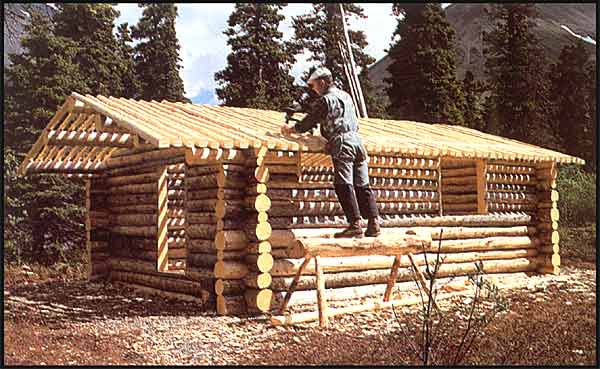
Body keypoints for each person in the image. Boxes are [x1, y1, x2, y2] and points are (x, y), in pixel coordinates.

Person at [281, 67, 381, 238]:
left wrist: (291, 129)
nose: (313, 89)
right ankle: (374, 224)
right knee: (363, 185)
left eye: (314, 85)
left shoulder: (326, 100)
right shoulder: (346, 96)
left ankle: (355, 225)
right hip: (358, 141)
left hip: (343, 143)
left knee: (343, 183)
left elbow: (310, 121)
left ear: (322, 82)